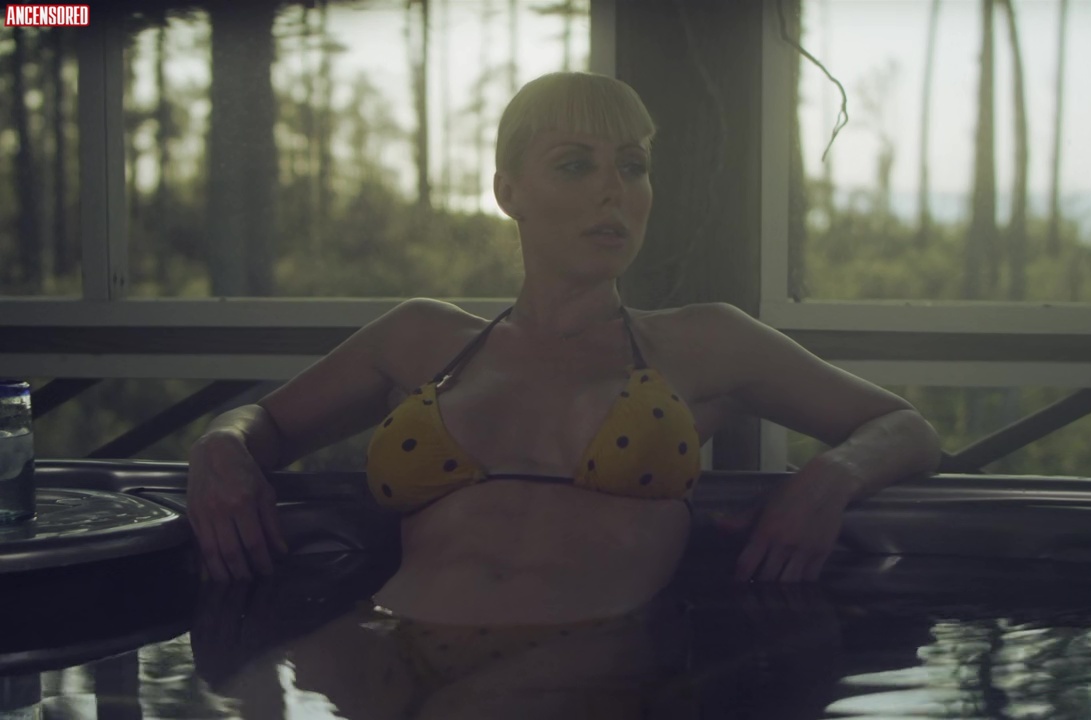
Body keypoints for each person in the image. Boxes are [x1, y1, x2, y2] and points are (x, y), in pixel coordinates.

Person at [186, 72, 940, 627]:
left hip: (578, 676)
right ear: (507, 192)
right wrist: (219, 447)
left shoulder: (705, 341)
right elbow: (263, 424)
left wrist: (828, 479)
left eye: (632, 166)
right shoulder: (420, 337)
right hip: (377, 656)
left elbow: (904, 427)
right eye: (576, 164)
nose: (613, 189)